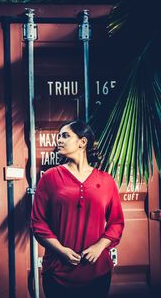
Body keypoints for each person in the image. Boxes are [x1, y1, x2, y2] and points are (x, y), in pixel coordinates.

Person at [31, 120, 124, 298]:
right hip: (57, 271)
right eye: (59, 136)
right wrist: (61, 250)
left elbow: (116, 223)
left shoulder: (106, 181)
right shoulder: (50, 178)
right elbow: (38, 222)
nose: (59, 140)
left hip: (97, 273)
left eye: (65, 136)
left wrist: (99, 247)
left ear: (83, 142)